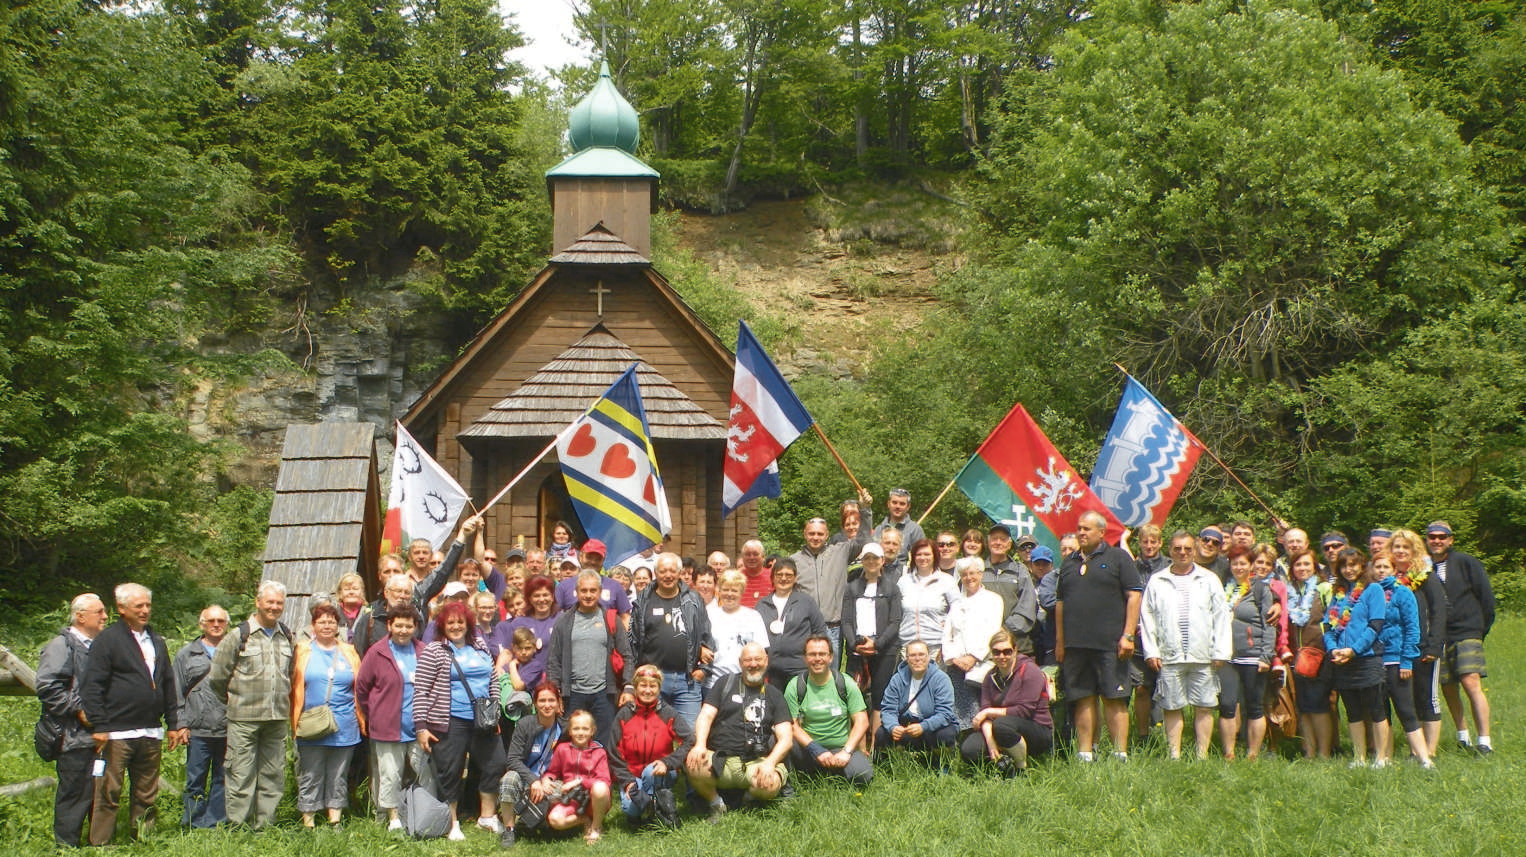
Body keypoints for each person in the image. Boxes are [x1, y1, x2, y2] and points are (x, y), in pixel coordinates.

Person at [80, 583, 187, 845]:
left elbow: (167, 684)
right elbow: (92, 685)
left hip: (150, 731)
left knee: (146, 792)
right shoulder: (108, 641)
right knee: (109, 790)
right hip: (117, 731)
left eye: (148, 605)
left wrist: (173, 723)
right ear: (121, 608)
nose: (145, 610)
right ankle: (101, 844)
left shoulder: (156, 640)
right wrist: (100, 726)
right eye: (139, 606)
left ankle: (143, 840)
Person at [1055, 511, 1142, 762]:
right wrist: (1060, 642)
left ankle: (1119, 754)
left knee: (1114, 698)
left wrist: (1128, 634)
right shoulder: (1069, 562)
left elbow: (1134, 596)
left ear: (1102, 533)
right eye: (1079, 528)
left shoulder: (1118, 558)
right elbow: (1060, 603)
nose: (1081, 532)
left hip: (1111, 644)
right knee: (1083, 697)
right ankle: (1085, 753)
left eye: (1087, 529)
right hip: (1076, 645)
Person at [416, 601, 506, 841]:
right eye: (450, 622)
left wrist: (494, 710)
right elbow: (421, 691)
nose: (456, 626)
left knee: (495, 764)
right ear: (442, 625)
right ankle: (452, 822)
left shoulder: (480, 645)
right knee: (450, 771)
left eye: (460, 622)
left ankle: (487, 816)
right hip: (450, 720)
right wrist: (421, 727)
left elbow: (494, 679)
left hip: (483, 720)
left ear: (468, 624)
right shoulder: (434, 650)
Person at [210, 580, 294, 829]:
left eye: (279, 603)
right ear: (258, 602)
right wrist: (235, 700)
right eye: (270, 602)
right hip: (244, 717)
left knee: (273, 774)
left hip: (276, 718)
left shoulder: (287, 635)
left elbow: (290, 673)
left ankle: (265, 826)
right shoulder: (239, 635)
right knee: (241, 773)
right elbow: (217, 677)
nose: (274, 607)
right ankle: (238, 826)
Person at [1139, 532, 1230, 760]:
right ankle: (1175, 755)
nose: (1182, 553)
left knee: (1204, 705)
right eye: (1178, 548)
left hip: (1203, 655)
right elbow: (1147, 617)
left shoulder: (1209, 579)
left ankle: (1202, 755)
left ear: (1195, 549)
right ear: (1170, 550)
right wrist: (1152, 651)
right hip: (1170, 655)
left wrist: (1220, 651)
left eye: (1188, 549)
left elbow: (1221, 616)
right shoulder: (1157, 580)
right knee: (1172, 705)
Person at [685, 643, 793, 818]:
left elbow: (786, 738)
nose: (753, 664)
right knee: (692, 762)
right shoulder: (724, 683)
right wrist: (699, 745)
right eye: (748, 660)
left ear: (766, 661)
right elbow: (705, 715)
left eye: (758, 659)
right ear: (740, 662)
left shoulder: (774, 694)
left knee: (771, 784)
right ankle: (716, 804)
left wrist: (770, 763)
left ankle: (749, 799)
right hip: (722, 760)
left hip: (756, 763)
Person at [36, 593, 108, 847]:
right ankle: (66, 847)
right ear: (80, 616)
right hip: (72, 735)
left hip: (99, 734)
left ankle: (96, 842)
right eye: (99, 612)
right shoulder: (61, 646)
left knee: (97, 790)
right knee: (74, 792)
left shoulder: (98, 646)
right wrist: (78, 710)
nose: (105, 616)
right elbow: (47, 687)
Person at [355, 603, 435, 831]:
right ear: (389, 625)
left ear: (415, 627)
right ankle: (392, 819)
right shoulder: (377, 652)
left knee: (425, 771)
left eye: (408, 626)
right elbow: (362, 688)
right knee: (390, 775)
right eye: (398, 625)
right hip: (387, 727)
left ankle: (428, 815)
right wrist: (375, 713)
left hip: (418, 727)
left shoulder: (423, 651)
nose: (403, 630)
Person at [356, 517, 480, 654]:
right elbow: (359, 654)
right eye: (397, 591)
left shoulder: (418, 600)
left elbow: (443, 572)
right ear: (386, 592)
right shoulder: (371, 617)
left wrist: (461, 536)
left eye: (406, 592)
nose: (402, 595)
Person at [290, 602, 365, 827]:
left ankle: (335, 819)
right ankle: (309, 819)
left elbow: (359, 686)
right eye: (321, 621)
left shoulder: (349, 652)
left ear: (338, 626)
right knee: (311, 773)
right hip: (311, 722)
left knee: (338, 773)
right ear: (313, 626)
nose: (327, 625)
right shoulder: (302, 650)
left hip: (345, 723)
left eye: (331, 621)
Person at [1427, 521, 1495, 754]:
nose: (1437, 541)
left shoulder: (1467, 562)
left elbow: (1486, 598)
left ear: (1451, 539)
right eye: (1432, 537)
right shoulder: (1424, 567)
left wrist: (1479, 630)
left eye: (1442, 537)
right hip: (1438, 635)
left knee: (1470, 682)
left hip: (1467, 631)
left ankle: (1484, 741)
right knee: (1447, 685)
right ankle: (1462, 735)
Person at [546, 570, 635, 748]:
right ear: (577, 592)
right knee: (570, 743)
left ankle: (601, 776)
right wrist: (555, 692)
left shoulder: (611, 619)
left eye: (593, 590)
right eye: (584, 591)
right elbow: (553, 660)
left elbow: (627, 654)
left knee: (605, 744)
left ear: (600, 592)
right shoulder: (563, 622)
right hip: (572, 694)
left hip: (604, 694)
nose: (588, 595)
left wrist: (628, 686)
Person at [629, 551, 715, 727]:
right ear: (655, 573)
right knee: (652, 734)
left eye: (672, 571)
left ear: (680, 573)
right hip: (652, 680)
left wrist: (704, 670)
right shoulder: (643, 601)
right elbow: (633, 640)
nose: (668, 575)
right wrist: (635, 672)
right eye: (663, 571)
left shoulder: (693, 599)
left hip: (687, 680)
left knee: (689, 734)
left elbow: (706, 635)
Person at [1324, 547, 1388, 767]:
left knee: (1376, 708)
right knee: (1352, 710)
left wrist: (1354, 650)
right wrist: (1333, 649)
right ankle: (1358, 757)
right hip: (1341, 660)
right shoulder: (1339, 593)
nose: (1348, 569)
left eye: (1352, 565)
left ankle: (1380, 757)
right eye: (1343, 565)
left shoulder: (1373, 590)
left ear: (1362, 566)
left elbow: (1375, 625)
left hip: (1366, 657)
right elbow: (1328, 625)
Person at [610, 665, 693, 829]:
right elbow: (613, 753)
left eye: (652, 686)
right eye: (643, 685)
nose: (647, 690)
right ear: (635, 687)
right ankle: (659, 808)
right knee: (630, 808)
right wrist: (627, 782)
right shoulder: (623, 715)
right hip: (633, 777)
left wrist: (668, 762)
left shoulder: (669, 713)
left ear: (659, 688)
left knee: (650, 771)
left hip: (661, 772)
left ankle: (657, 811)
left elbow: (690, 740)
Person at [961, 629, 1053, 777]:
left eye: (1007, 651)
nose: (1001, 656)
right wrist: (991, 743)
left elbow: (1024, 711)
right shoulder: (989, 677)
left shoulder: (1030, 671)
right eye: (996, 652)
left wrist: (988, 712)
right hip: (1001, 728)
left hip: (1036, 729)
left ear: (1015, 650)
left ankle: (1021, 769)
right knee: (969, 749)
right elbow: (986, 715)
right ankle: (1000, 768)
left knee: (1002, 726)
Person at [1388, 528, 1446, 756]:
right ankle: (1416, 750)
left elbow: (1439, 612)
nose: (1400, 551)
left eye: (1405, 547)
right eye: (1396, 547)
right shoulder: (1387, 578)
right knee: (1407, 700)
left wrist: (1434, 645)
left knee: (1427, 698)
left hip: (1424, 647)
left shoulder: (1426, 576)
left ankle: (1429, 751)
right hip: (1397, 649)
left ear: (1414, 551)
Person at [793, 491, 874, 655]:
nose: (816, 537)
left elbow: (864, 538)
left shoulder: (841, 551)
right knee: (805, 673)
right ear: (805, 534)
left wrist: (865, 510)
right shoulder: (794, 560)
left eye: (820, 534)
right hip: (805, 627)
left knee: (831, 676)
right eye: (812, 533)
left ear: (827, 535)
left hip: (833, 628)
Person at [785, 636, 873, 785]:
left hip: (841, 748)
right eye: (812, 654)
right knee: (778, 739)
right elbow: (792, 725)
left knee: (863, 775)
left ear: (831, 657)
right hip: (808, 749)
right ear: (805, 658)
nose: (817, 659)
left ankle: (828, 771)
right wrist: (816, 749)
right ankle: (810, 776)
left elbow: (862, 721)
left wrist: (846, 752)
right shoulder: (795, 686)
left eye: (822, 654)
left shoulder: (845, 683)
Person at [172, 604, 230, 828]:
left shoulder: (235, 651)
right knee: (195, 779)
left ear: (226, 625)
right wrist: (180, 723)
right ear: (202, 624)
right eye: (211, 621)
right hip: (197, 728)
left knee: (222, 778)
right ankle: (193, 821)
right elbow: (176, 691)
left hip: (227, 726)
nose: (216, 625)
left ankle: (215, 821)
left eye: (221, 621)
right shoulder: (186, 654)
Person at [1372, 552, 1432, 768]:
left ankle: (1424, 757)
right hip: (1375, 660)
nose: (1380, 571)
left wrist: (1407, 661)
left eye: (1385, 567)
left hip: (1397, 659)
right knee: (1380, 710)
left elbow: (1412, 629)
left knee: (1405, 709)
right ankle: (1383, 757)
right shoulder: (1370, 594)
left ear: (1394, 570)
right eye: (1377, 567)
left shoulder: (1403, 593)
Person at [841, 543, 903, 746]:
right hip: (857, 649)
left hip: (884, 650)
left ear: (882, 561)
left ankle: (876, 745)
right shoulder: (851, 588)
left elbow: (895, 621)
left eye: (875, 558)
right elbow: (847, 621)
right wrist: (854, 644)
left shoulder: (892, 588)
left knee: (879, 696)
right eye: (867, 558)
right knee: (856, 696)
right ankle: (859, 746)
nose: (871, 562)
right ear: (862, 561)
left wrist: (877, 644)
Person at [1217, 552, 1275, 760]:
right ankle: (1229, 752)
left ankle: (1252, 753)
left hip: (1253, 655)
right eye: (1235, 563)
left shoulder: (1260, 589)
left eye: (1243, 563)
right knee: (1227, 703)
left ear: (1251, 566)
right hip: (1227, 655)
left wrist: (1266, 655)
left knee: (1254, 705)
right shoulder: (1224, 587)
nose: (1239, 567)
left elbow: (1270, 624)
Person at [498, 683, 565, 846]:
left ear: (558, 703)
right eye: (542, 701)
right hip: (526, 777)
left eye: (551, 700)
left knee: (560, 792)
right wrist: (534, 780)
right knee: (508, 780)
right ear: (535, 703)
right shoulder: (524, 724)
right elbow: (512, 759)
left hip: (551, 780)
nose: (547, 705)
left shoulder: (566, 727)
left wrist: (548, 779)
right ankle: (509, 830)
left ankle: (537, 822)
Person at [942, 556, 1005, 728]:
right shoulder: (957, 604)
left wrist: (973, 657)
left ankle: (983, 748)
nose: (969, 578)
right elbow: (947, 634)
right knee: (959, 713)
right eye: (964, 574)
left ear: (980, 574)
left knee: (981, 710)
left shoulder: (993, 600)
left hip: (983, 664)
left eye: (972, 573)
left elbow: (992, 631)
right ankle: (960, 747)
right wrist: (954, 658)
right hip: (957, 666)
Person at [1286, 549, 1334, 759]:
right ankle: (1309, 750)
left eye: (1306, 564)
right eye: (1298, 565)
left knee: (1319, 705)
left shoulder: (1323, 589)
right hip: (1296, 656)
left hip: (1318, 655)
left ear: (1315, 566)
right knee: (1303, 706)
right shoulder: (1289, 591)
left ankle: (1324, 752)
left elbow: (1334, 619)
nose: (1302, 568)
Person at [537, 710, 612, 843]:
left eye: (585, 729)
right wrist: (546, 779)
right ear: (570, 731)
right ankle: (584, 820)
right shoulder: (562, 749)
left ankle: (596, 826)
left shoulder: (599, 752)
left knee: (600, 787)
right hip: (571, 799)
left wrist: (579, 781)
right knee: (555, 820)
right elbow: (552, 771)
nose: (580, 732)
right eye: (576, 728)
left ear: (592, 731)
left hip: (594, 800)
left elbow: (604, 780)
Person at [875, 641, 957, 758]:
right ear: (906, 658)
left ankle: (942, 765)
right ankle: (885, 768)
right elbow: (888, 709)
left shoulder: (941, 679)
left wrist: (923, 726)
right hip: (905, 726)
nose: (917, 659)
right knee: (881, 733)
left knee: (946, 735)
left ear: (929, 657)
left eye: (921, 654)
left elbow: (945, 713)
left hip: (932, 726)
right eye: (913, 655)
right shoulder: (897, 679)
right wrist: (893, 727)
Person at [755, 557, 828, 687]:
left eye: (788, 575)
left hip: (800, 667)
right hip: (771, 670)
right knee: (775, 706)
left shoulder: (806, 602)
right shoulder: (762, 604)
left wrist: (813, 656)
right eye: (779, 575)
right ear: (772, 578)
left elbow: (820, 631)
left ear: (795, 578)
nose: (784, 578)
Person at [707, 569, 771, 688]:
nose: (729, 594)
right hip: (713, 682)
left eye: (734, 590)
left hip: (745, 681)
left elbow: (762, 651)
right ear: (719, 591)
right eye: (725, 589)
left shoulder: (753, 616)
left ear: (741, 593)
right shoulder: (709, 615)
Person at [897, 537, 959, 660]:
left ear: (935, 556)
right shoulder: (903, 581)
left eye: (927, 554)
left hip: (936, 646)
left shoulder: (947, 581)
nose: (923, 558)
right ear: (913, 557)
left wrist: (948, 626)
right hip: (908, 646)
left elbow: (958, 609)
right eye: (919, 554)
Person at [495, 574, 558, 694]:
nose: (541, 599)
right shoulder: (519, 622)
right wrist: (498, 667)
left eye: (545, 595)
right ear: (529, 598)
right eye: (536, 596)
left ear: (553, 596)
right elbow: (509, 651)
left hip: (553, 685)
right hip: (526, 685)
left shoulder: (561, 620)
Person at [984, 525, 1039, 654]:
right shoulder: (978, 570)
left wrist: (1005, 629)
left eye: (1002, 539)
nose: (998, 542)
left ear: (1009, 545)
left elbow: (1028, 605)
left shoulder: (1020, 570)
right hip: (984, 647)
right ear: (988, 543)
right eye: (994, 539)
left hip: (1017, 646)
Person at [873, 487, 924, 563]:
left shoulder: (915, 530)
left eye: (902, 504)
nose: (898, 506)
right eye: (894, 502)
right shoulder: (879, 529)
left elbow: (921, 557)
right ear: (888, 504)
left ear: (908, 507)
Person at [334, 573, 371, 644]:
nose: (351, 592)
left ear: (362, 592)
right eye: (347, 589)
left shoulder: (370, 611)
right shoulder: (333, 613)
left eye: (355, 589)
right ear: (340, 593)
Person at [736, 539, 773, 607]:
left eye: (755, 554)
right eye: (747, 554)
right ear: (742, 557)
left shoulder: (773, 577)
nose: (751, 557)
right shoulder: (735, 578)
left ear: (763, 556)